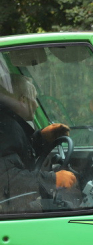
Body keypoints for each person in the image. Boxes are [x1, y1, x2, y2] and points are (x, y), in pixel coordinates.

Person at [0, 74, 76, 213]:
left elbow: (14, 156)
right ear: (23, 100)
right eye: (34, 98)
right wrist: (53, 179)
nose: (36, 104)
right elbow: (8, 180)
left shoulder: (10, 124)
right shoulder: (6, 128)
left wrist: (41, 138)